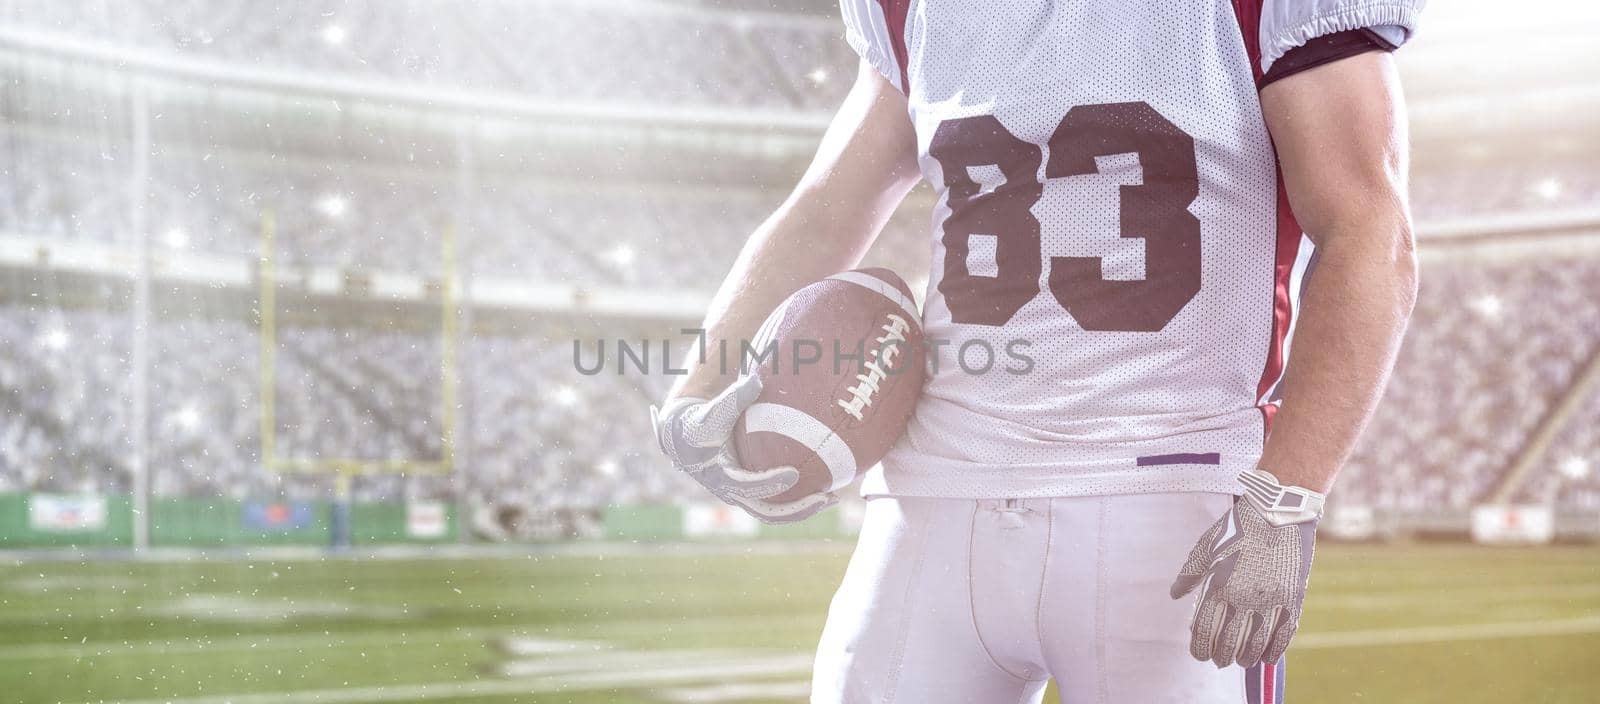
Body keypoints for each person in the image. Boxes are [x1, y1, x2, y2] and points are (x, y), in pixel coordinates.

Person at [652, 0, 1422, 700]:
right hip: (933, 494)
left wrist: (1288, 496)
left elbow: (1368, 233)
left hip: (1165, 500)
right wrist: (696, 393)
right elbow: (827, 208)